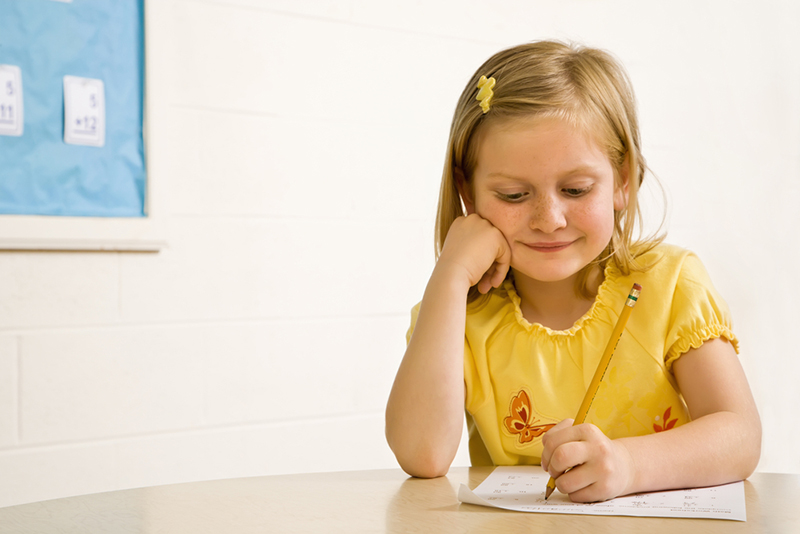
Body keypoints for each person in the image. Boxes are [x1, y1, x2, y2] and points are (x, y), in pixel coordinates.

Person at [384, 40, 761, 503]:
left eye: (576, 189)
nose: (549, 219)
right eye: (513, 195)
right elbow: (422, 455)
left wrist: (627, 466)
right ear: (468, 191)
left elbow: (740, 436)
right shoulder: (459, 317)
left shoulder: (669, 285)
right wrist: (450, 273)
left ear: (622, 180)